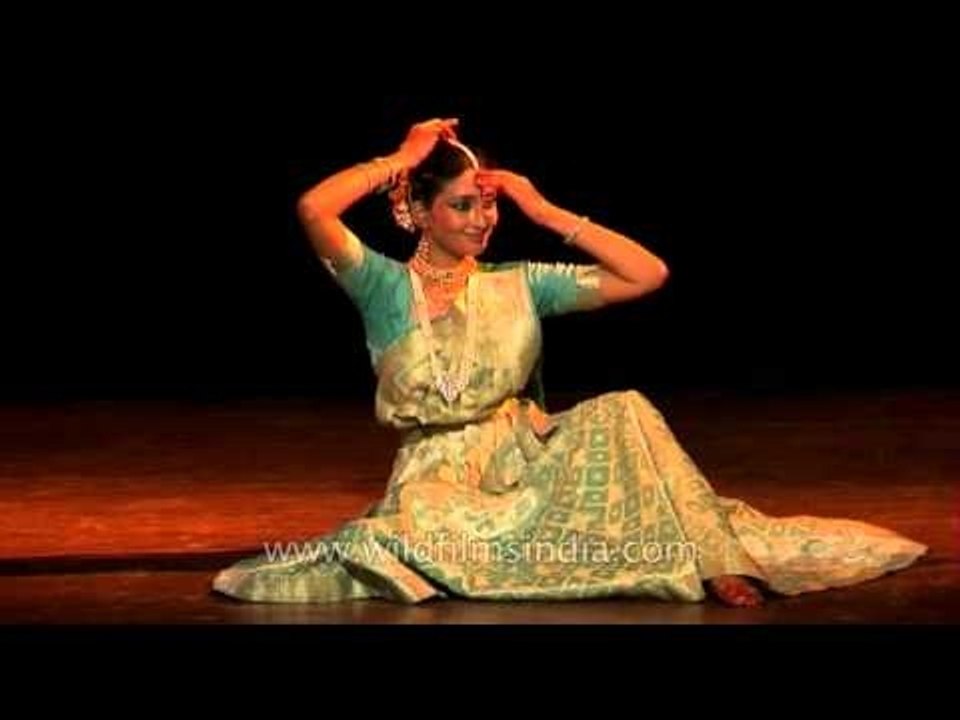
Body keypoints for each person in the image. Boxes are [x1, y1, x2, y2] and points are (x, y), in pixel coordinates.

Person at [213, 118, 926, 607]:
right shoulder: (380, 284)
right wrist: (399, 159)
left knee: (627, 409)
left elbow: (647, 273)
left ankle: (716, 562)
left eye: (487, 209)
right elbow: (313, 208)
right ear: (419, 211)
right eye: (462, 206)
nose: (480, 219)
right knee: (398, 539)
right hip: (438, 481)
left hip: (525, 456)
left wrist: (545, 208)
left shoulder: (518, 281)